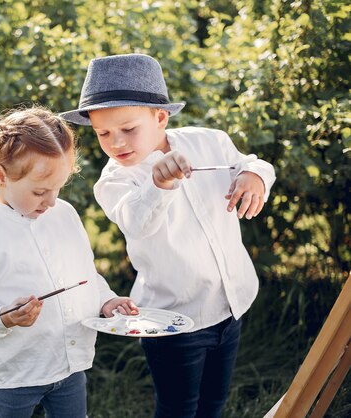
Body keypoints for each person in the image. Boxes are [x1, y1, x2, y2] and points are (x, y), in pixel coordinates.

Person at [60, 54, 276, 418]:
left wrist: (254, 175)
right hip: (172, 321)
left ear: (160, 117)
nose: (116, 142)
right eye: (103, 134)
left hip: (231, 304)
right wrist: (158, 184)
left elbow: (252, 162)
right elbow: (136, 222)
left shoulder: (209, 142)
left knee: (214, 403)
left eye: (128, 129)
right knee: (178, 408)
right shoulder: (115, 180)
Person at [0, 106, 138, 418]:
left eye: (59, 187)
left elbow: (84, 275)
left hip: (69, 366)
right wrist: (4, 317)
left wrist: (106, 300)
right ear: (0, 176)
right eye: (40, 191)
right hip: (14, 378)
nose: (52, 201)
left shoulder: (63, 213)